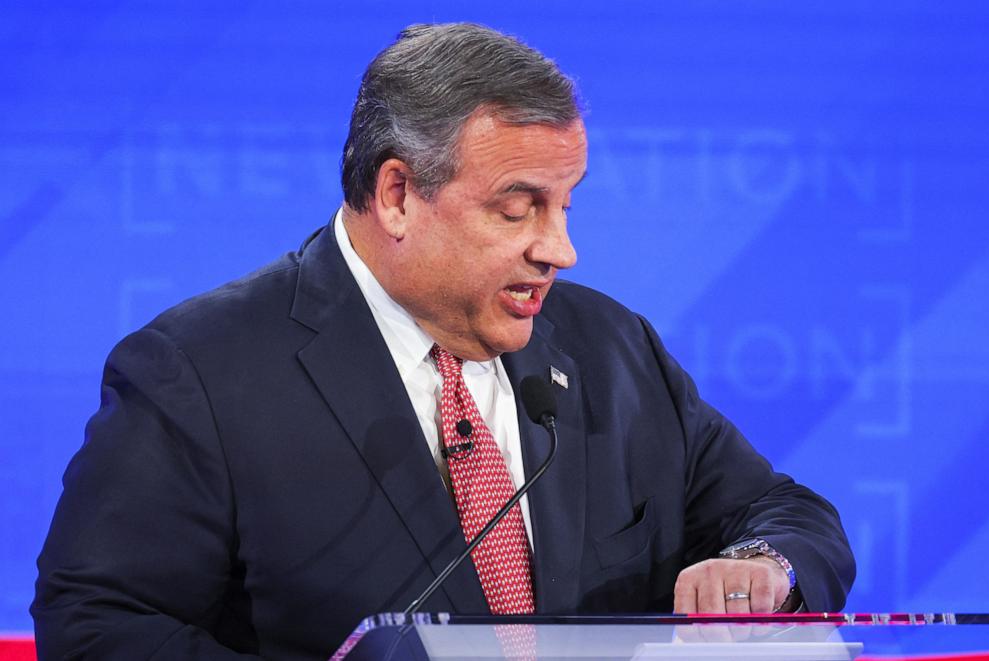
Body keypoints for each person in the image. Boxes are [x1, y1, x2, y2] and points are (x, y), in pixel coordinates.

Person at [32, 22, 855, 660]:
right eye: (517, 206)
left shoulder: (608, 345)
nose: (559, 248)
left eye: (566, 204)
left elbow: (786, 512)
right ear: (397, 194)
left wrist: (760, 564)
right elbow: (98, 623)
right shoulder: (201, 373)